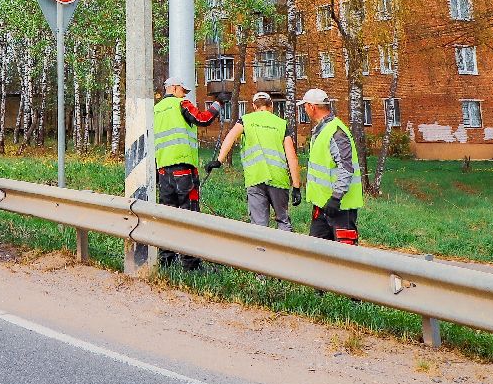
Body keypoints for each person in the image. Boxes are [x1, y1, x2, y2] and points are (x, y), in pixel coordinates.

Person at [207, 90, 302, 231]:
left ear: (254, 106)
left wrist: (219, 160)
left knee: (259, 225)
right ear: (271, 106)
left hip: (255, 177)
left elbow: (230, 137)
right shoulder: (281, 124)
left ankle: (260, 246)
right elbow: (292, 157)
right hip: (278, 179)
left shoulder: (246, 120)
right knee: (283, 220)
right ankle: (285, 245)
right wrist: (296, 186)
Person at [153, 76, 221, 269]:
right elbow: (203, 119)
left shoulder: (156, 109)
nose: (184, 94)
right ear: (174, 88)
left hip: (163, 170)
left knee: (168, 215)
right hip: (183, 169)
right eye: (183, 90)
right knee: (189, 215)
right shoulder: (181, 104)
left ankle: (166, 260)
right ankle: (191, 264)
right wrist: (218, 104)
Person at [299, 88, 363, 245]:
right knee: (316, 252)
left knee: (345, 255)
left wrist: (336, 198)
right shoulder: (322, 130)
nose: (305, 110)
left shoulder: (336, 132)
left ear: (312, 107)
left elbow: (346, 168)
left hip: (340, 208)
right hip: (322, 206)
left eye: (305, 106)